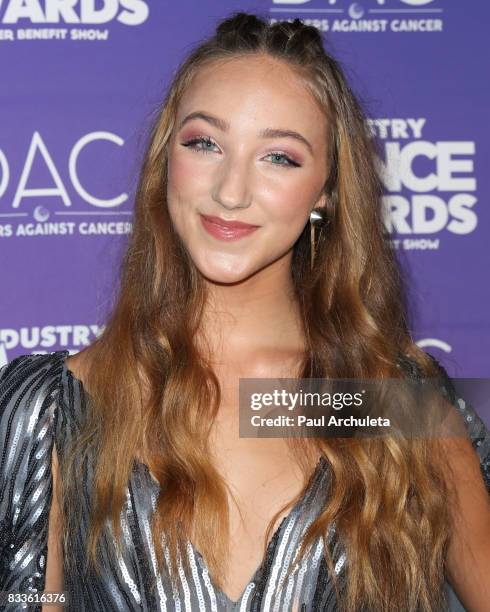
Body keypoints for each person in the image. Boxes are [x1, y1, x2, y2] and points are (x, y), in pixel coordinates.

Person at [0, 11, 489, 612]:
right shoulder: (54, 407)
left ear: (327, 191)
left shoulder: (383, 401)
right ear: (165, 161)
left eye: (279, 157)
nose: (231, 191)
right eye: (205, 143)